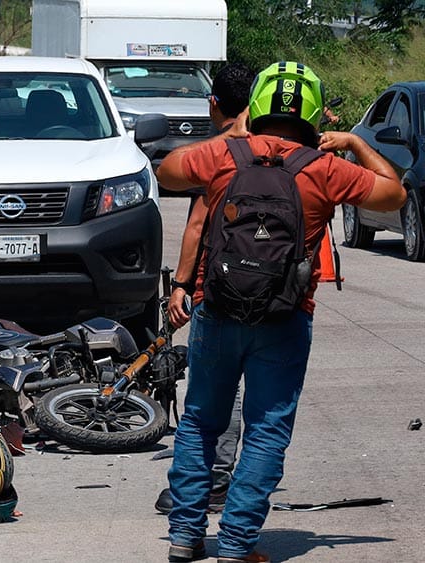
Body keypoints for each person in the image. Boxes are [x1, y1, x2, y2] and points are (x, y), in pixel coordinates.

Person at [156, 61, 406, 563]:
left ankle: (185, 537)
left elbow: (168, 171)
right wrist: (356, 144)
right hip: (284, 316)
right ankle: (236, 544)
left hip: (217, 308)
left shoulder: (225, 155)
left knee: (202, 421)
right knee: (267, 430)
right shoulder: (326, 168)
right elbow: (395, 192)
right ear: (312, 110)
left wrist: (234, 138)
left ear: (258, 103)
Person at [155, 62, 256, 517]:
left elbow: (197, 225)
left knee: (211, 393)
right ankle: (230, 480)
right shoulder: (283, 152)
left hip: (216, 290)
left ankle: (210, 481)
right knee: (262, 401)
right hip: (273, 292)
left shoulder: (220, 155)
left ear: (214, 104)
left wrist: (180, 286)